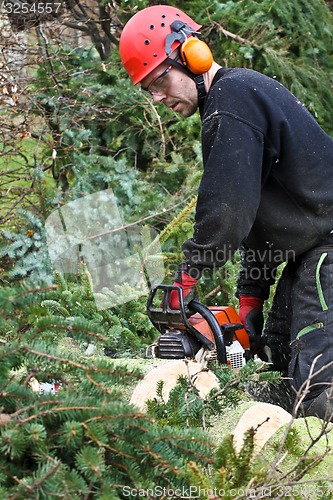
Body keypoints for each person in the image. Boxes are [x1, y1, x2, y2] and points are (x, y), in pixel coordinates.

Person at [119, 5, 333, 420]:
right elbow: (260, 220)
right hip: (307, 255)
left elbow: (226, 213)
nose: (159, 97)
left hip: (326, 252)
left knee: (315, 389)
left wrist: (186, 278)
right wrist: (250, 299)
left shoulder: (231, 100)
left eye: (161, 79)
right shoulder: (234, 102)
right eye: (149, 89)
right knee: (276, 364)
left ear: (191, 55)